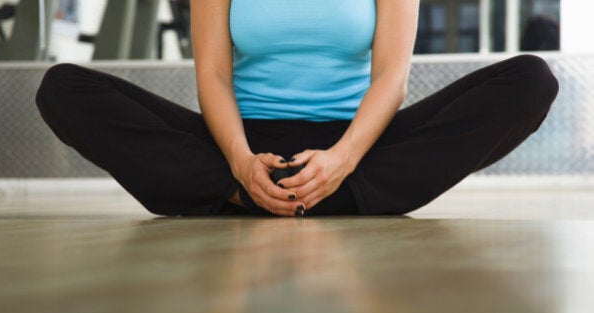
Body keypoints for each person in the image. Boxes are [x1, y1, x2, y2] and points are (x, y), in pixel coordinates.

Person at [35, 0, 559, 217]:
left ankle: (297, 197)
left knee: (530, 80)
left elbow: (391, 79)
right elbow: (213, 76)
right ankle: (249, 193)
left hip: (357, 148)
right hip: (238, 148)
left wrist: (344, 159)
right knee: (63, 88)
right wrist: (239, 164)